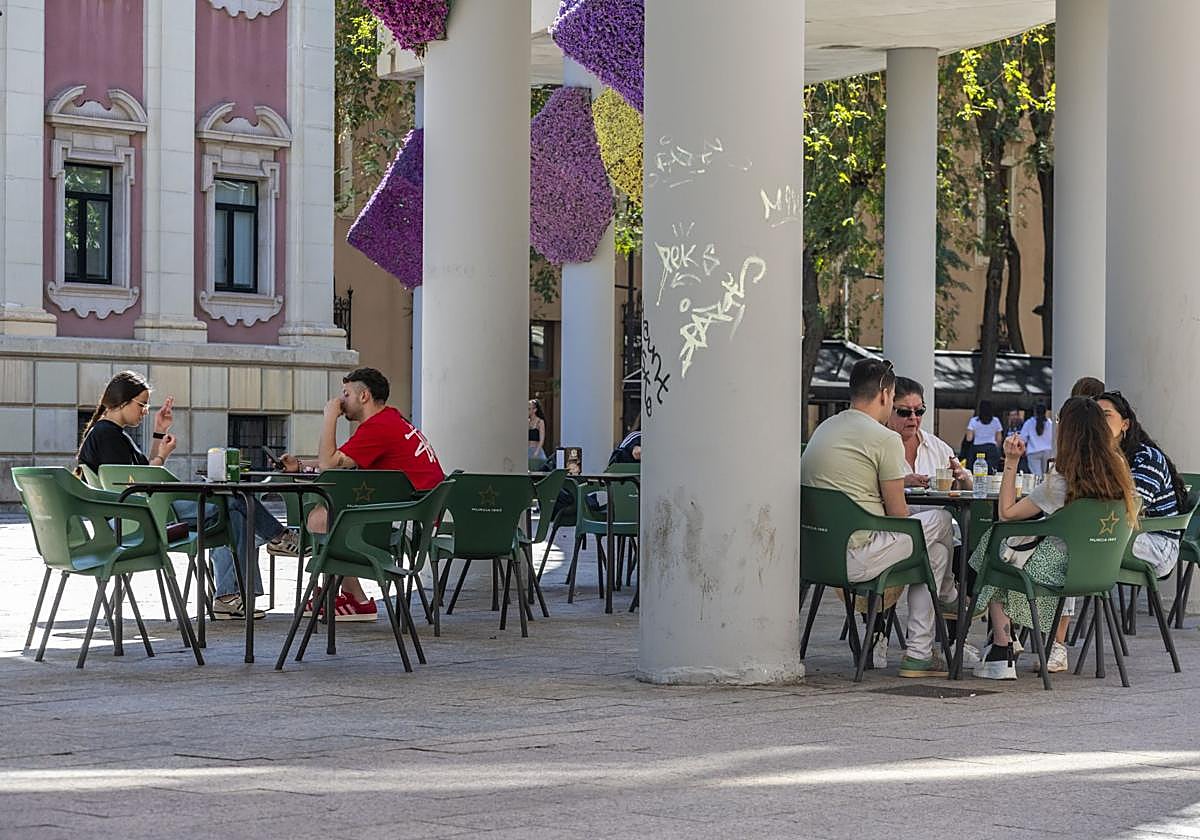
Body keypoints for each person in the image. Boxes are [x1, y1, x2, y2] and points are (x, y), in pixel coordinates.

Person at [77, 370, 295, 620]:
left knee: (235, 511)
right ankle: (279, 539)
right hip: (147, 522)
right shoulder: (108, 436)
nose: (145, 411)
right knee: (235, 500)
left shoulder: (108, 434)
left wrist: (159, 433)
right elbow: (140, 483)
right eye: (142, 404)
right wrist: (161, 455)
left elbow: (142, 474)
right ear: (122, 401)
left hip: (138, 518)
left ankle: (230, 596)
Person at [801, 359, 958, 678]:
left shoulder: (825, 428)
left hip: (816, 556)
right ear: (886, 395)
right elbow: (900, 517)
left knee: (936, 554)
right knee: (940, 521)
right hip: (858, 557)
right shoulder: (883, 438)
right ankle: (949, 601)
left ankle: (919, 653)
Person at [968, 397, 1139, 680]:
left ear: (1068, 432)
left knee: (995, 546)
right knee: (1007, 551)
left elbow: (1007, 514)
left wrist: (1011, 462)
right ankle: (1006, 642)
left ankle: (1001, 646)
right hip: (1099, 570)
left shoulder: (1062, 481)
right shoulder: (1121, 475)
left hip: (1054, 572)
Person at [279, 367, 445, 621]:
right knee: (334, 515)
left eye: (345, 394)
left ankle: (341, 596)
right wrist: (300, 465)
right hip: (419, 515)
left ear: (364, 396)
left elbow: (329, 464)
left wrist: (329, 418)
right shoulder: (390, 420)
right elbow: (343, 461)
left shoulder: (378, 427)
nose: (341, 401)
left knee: (321, 518)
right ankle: (354, 598)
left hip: (406, 524)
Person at [1095, 391, 1188, 579]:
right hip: (1122, 532)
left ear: (1125, 424)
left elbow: (1130, 506)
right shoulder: (1102, 459)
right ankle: (1066, 609)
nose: (1099, 422)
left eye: (1106, 415)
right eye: (1095, 417)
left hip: (1158, 544)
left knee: (1077, 541)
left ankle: (1064, 608)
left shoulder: (1146, 458)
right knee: (1070, 540)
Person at [886, 377, 972, 490]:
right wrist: (901, 483)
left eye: (919, 411)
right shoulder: (875, 445)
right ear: (887, 409)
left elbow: (968, 486)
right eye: (904, 412)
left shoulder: (936, 446)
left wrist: (961, 479)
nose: (913, 417)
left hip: (938, 508)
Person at [1020, 403, 1055, 476]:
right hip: (1047, 452)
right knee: (1046, 475)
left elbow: (1023, 439)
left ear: (1035, 412)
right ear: (1045, 412)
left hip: (1033, 452)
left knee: (1037, 476)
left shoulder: (1029, 423)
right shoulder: (1050, 423)